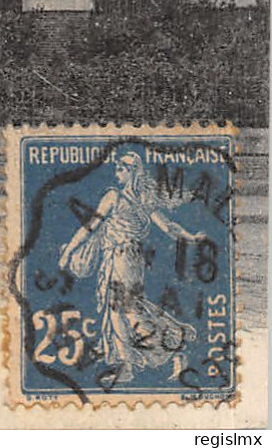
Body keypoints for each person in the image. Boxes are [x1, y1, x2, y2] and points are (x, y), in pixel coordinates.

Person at [57, 150, 206, 386]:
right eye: (117, 168)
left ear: (131, 172)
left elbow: (89, 228)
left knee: (127, 312)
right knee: (123, 311)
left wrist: (67, 252)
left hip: (121, 258)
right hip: (129, 259)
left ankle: (174, 351)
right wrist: (190, 236)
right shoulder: (144, 200)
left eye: (121, 168)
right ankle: (128, 365)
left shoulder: (114, 197)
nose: (117, 172)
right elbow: (169, 227)